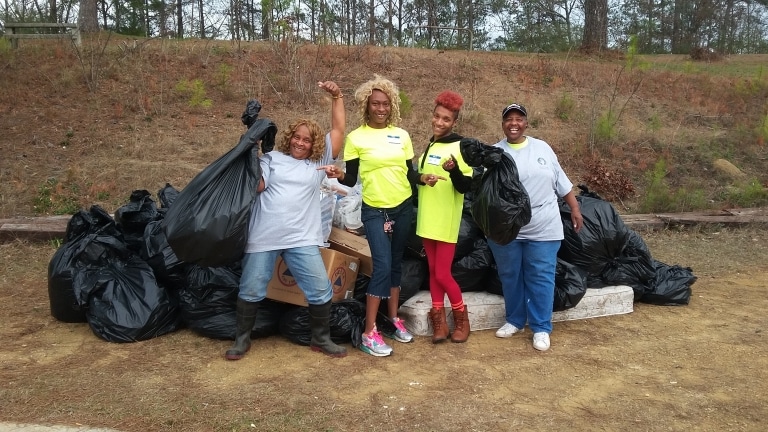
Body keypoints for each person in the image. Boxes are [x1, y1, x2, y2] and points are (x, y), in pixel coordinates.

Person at [225, 81, 347, 361]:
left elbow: (339, 130)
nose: (300, 143)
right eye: (296, 137)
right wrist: (251, 151)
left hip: (301, 238)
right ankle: (242, 340)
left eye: (306, 140)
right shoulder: (272, 158)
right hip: (264, 236)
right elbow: (257, 186)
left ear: (314, 144)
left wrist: (337, 96)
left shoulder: (318, 163)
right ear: (289, 137)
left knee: (320, 289)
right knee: (251, 288)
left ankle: (321, 338)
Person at [321, 75, 418, 357]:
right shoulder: (356, 138)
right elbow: (351, 180)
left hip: (403, 207)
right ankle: (369, 332)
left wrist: (425, 178)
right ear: (367, 104)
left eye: (385, 103)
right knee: (382, 266)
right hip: (375, 209)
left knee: (396, 264)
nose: (381, 108)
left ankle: (394, 319)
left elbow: (410, 174)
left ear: (392, 105)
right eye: (375, 103)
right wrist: (339, 174)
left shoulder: (402, 136)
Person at [488, 103, 583, 352]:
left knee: (541, 276)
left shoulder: (542, 148)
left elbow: (561, 182)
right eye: (509, 119)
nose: (514, 123)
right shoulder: (496, 153)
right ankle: (515, 320)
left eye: (519, 119)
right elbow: (486, 192)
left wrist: (574, 208)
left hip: (544, 225)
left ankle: (541, 327)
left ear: (526, 123)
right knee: (510, 275)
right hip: (508, 229)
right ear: (503, 124)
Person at [414, 90, 474, 343]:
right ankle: (439, 320)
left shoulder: (460, 147)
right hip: (427, 218)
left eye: (446, 119)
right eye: (437, 116)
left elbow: (465, 186)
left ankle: (461, 318)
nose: (439, 122)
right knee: (432, 270)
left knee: (442, 273)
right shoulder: (430, 145)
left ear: (454, 122)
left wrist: (455, 170)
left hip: (446, 220)